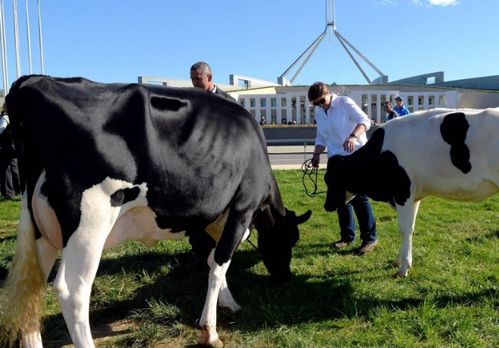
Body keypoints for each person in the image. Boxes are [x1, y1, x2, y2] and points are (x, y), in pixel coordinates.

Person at [308, 82, 377, 255]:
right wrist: (316, 155)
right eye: (316, 103)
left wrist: (353, 136)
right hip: (335, 159)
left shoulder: (344, 103)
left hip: (356, 156)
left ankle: (369, 239)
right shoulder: (320, 113)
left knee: (359, 199)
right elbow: (321, 138)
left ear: (328, 93)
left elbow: (364, 121)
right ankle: (347, 236)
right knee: (339, 199)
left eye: (321, 100)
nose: (320, 105)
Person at [0, 106, 20, 200]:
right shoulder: (16, 117)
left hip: (5, 146)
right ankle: (19, 189)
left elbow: (1, 131)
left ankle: (8, 193)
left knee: (5, 170)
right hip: (14, 146)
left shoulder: (5, 117)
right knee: (15, 168)